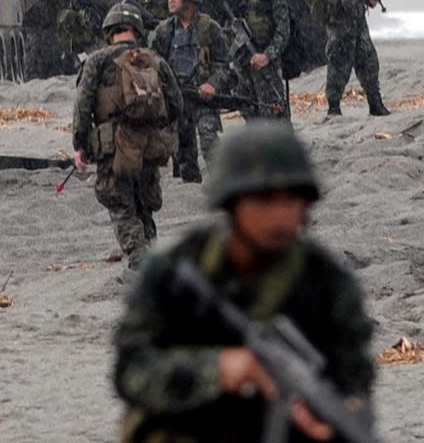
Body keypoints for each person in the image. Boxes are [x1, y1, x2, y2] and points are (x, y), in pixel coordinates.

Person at [114, 121, 376, 443]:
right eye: (264, 199)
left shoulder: (329, 283)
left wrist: (340, 414)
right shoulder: (176, 267)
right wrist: (220, 370)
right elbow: (129, 372)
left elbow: (356, 384)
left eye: (292, 199)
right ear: (231, 203)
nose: (280, 214)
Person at [72, 3, 182, 270]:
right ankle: (154, 263)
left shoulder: (97, 61)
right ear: (136, 31)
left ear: (110, 32)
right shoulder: (155, 60)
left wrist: (80, 144)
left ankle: (141, 265)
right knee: (145, 207)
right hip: (150, 145)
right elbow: (176, 104)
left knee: (122, 207)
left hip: (115, 146)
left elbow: (83, 105)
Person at [151, 0, 232, 183]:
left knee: (210, 144)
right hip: (178, 100)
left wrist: (212, 84)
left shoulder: (209, 27)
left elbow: (224, 65)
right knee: (183, 153)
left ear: (190, 0)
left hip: (204, 97)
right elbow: (153, 64)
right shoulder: (164, 30)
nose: (170, 0)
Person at [212, 0, 290, 120]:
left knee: (274, 111)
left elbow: (283, 30)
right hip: (243, 60)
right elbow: (230, 16)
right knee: (248, 108)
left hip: (264, 59)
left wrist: (268, 55)